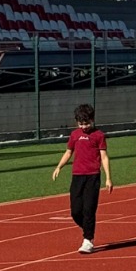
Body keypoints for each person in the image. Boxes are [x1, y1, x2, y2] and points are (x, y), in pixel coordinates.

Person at [53, 103, 111, 254]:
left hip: (93, 176)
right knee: (76, 211)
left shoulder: (99, 135)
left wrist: (108, 178)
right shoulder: (74, 135)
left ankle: (88, 240)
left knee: (89, 209)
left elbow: (104, 157)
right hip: (77, 176)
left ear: (93, 120)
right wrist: (59, 166)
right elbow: (68, 152)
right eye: (81, 124)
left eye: (87, 123)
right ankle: (87, 228)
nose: (84, 126)